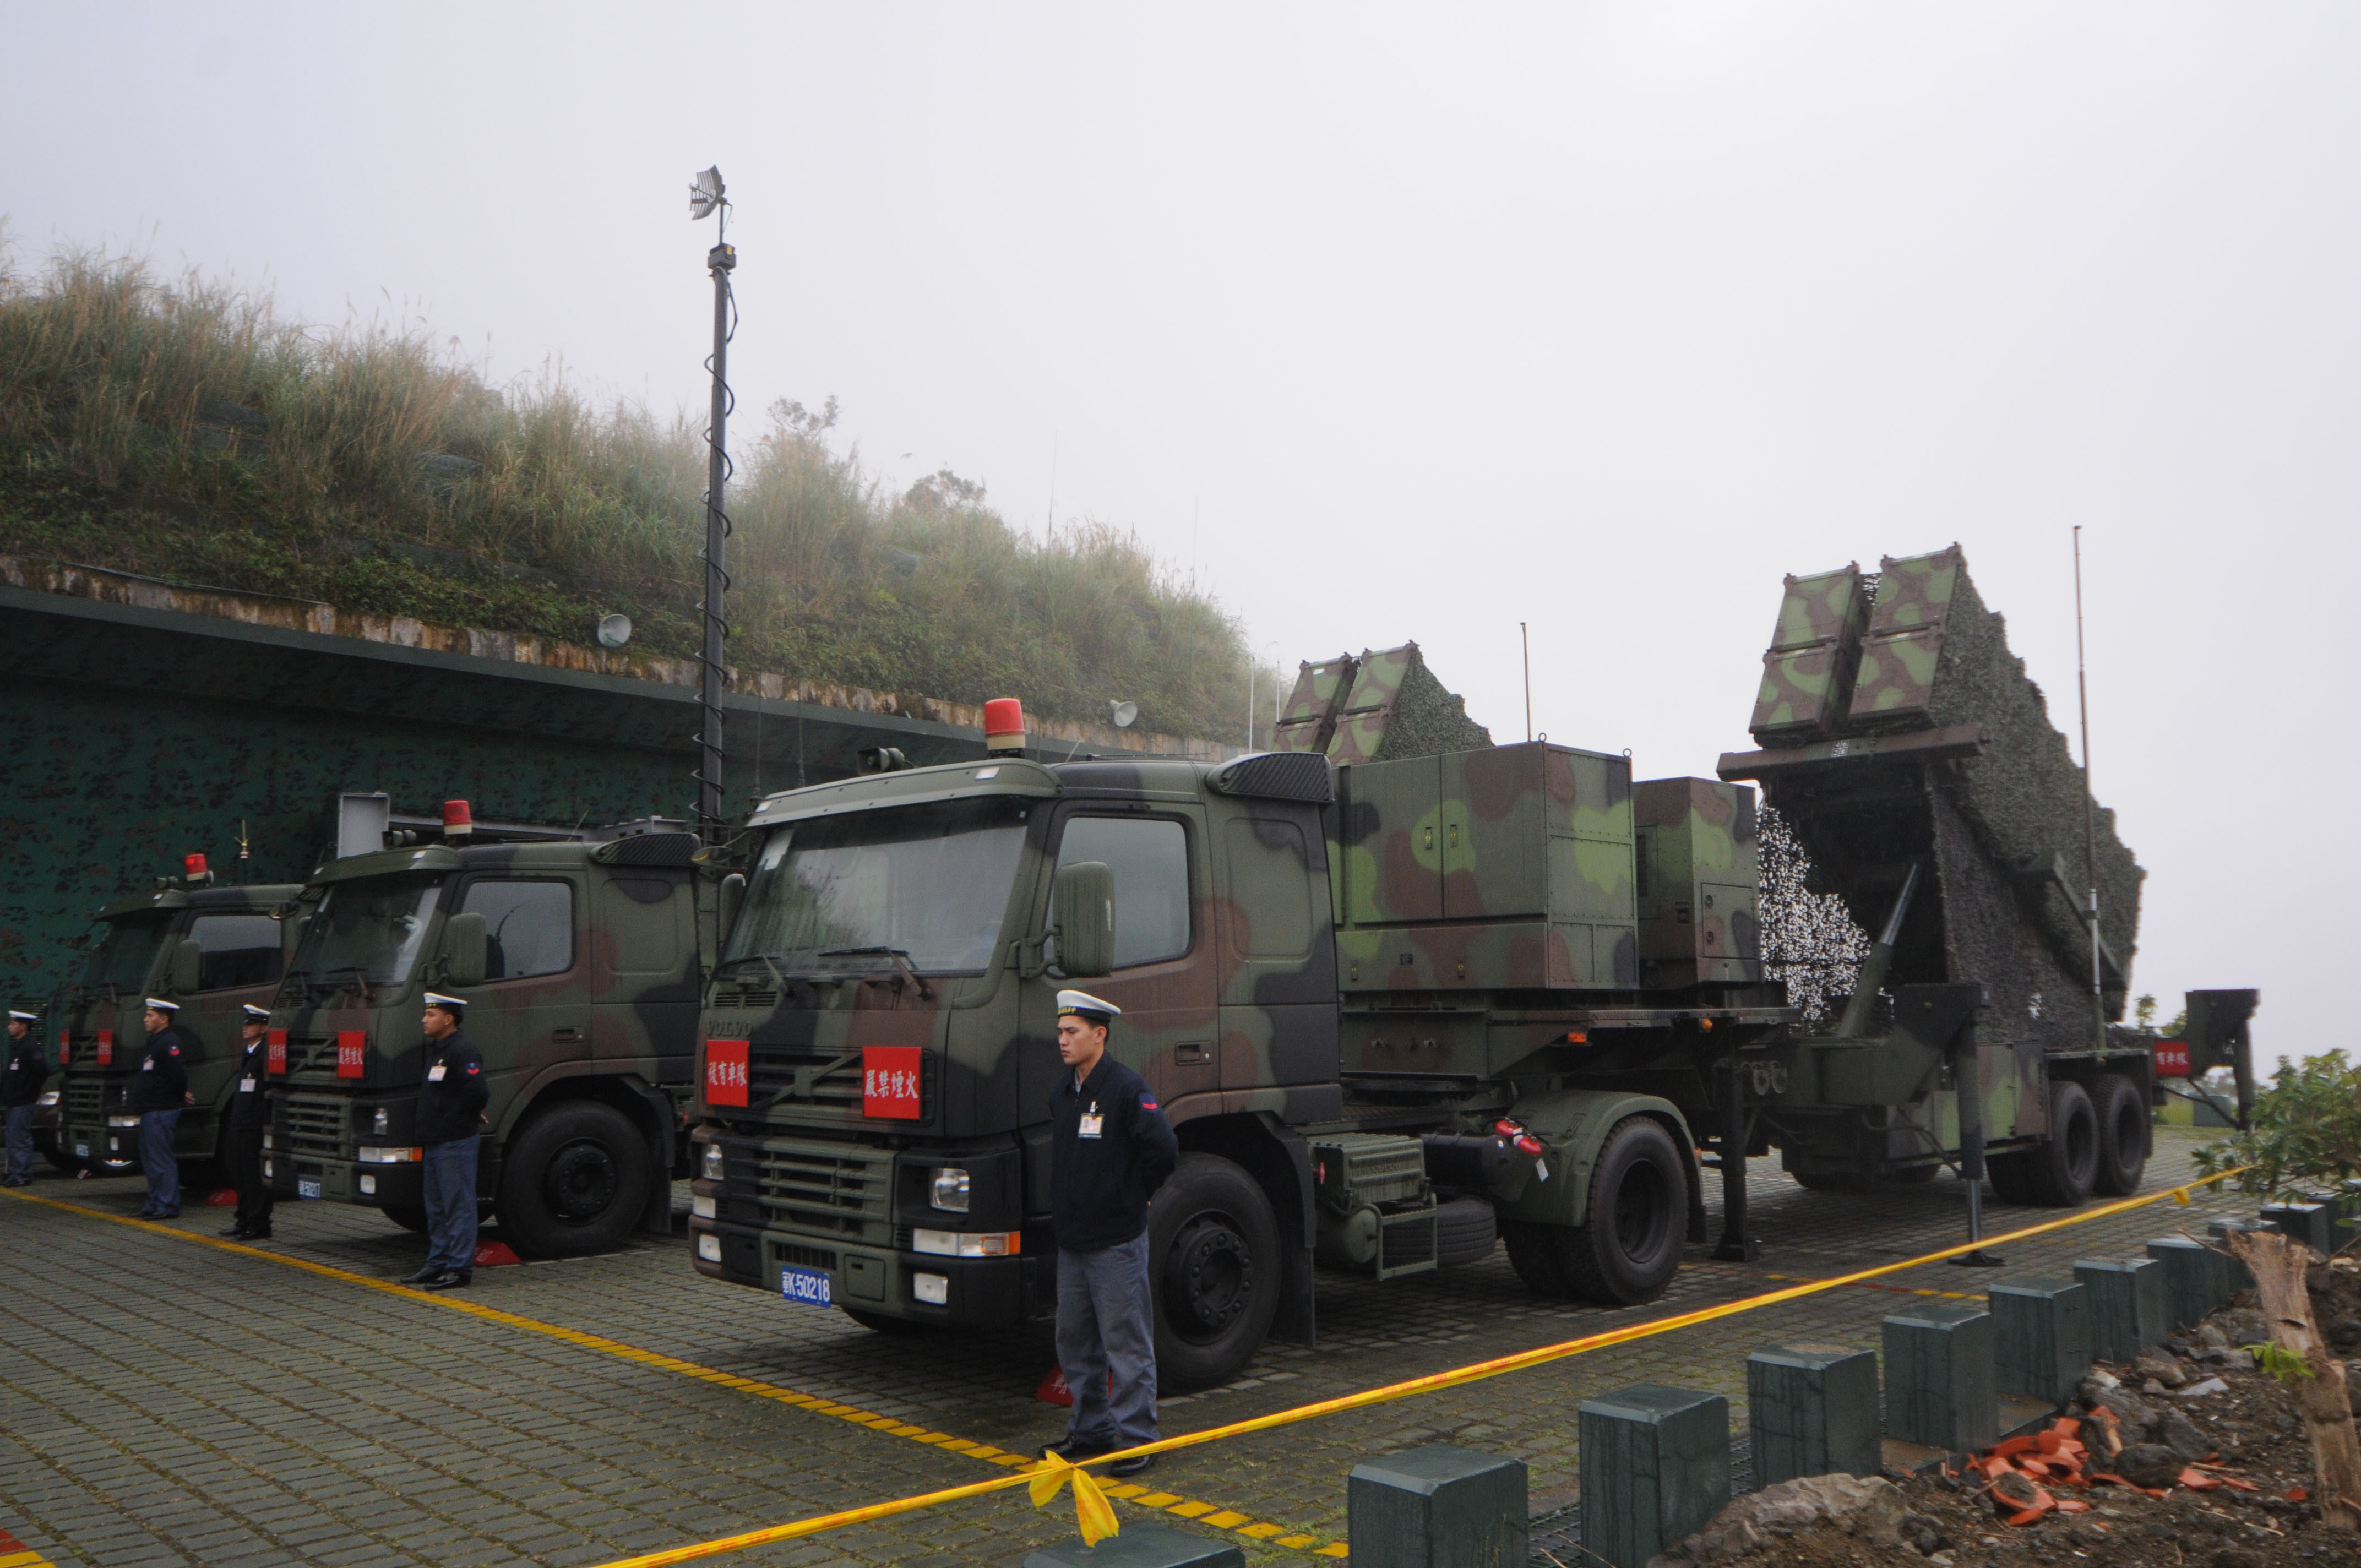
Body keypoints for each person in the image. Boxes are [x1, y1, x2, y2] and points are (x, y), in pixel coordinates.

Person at [1041, 989, 1177, 1477]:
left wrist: (1137, 1193)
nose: (1063, 1040)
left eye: (1072, 1032)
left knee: (1126, 1344)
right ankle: (1092, 1433)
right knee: (1075, 1343)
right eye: (1060, 1032)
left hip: (1115, 1243)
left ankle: (1138, 1439)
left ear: (1100, 1035)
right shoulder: (1063, 1092)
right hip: (1074, 1243)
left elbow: (1163, 1149)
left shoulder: (1126, 1088)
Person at [404, 992, 487, 1292]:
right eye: (426, 1014)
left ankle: (459, 1268)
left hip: (455, 1140)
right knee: (436, 1207)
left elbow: (477, 1091)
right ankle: (437, 1263)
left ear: (448, 1019)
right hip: (435, 1140)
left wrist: (469, 1115)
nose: (424, 1020)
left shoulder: (462, 1050)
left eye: (431, 1015)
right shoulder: (438, 1049)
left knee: (458, 1206)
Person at [128, 998, 196, 1218]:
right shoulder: (155, 1042)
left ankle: (167, 1206)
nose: (145, 1019)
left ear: (164, 1019)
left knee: (161, 1161)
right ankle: (154, 1204)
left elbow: (178, 1075)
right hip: (150, 1110)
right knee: (150, 1160)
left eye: (150, 1015)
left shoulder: (169, 1043)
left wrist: (178, 1095)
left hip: (160, 1110)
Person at [221, 1004, 274, 1239]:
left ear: (263, 1028)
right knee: (240, 1175)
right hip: (239, 1123)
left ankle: (259, 1224)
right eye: (245, 1024)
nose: (245, 1028)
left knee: (254, 1178)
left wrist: (258, 1119)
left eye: (251, 1024)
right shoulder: (249, 1053)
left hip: (253, 1125)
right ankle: (243, 1220)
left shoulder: (265, 1054)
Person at [2, 1008, 50, 1187]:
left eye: (14, 1024)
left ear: (24, 1027)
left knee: (20, 1138)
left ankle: (22, 1174)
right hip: (15, 1101)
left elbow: (43, 1070)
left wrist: (31, 1090)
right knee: (12, 1137)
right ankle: (15, 1172)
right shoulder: (18, 1047)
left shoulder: (30, 1047)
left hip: (23, 1101)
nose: (10, 1027)